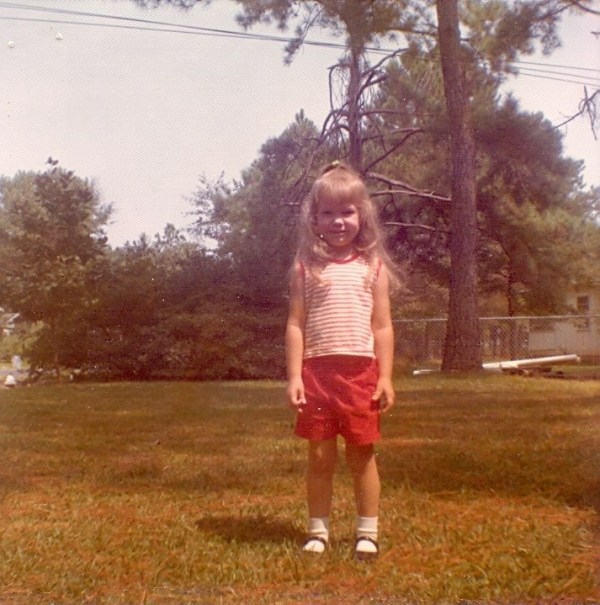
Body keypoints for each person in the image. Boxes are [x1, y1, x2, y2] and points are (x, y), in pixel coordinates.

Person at [285, 160, 397, 561]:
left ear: (361, 215)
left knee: (361, 454)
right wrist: (295, 376)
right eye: (328, 213)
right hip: (317, 374)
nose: (338, 221)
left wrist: (385, 377)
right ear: (314, 219)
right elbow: (296, 324)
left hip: (360, 374)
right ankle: (318, 531)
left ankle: (367, 532)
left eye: (347, 212)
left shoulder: (373, 267)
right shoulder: (305, 268)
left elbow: (382, 326)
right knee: (319, 457)